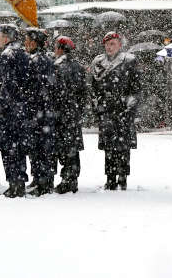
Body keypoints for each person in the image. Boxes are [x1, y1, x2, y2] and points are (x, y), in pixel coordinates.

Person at [90, 31, 141, 190]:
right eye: (107, 44)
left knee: (123, 146)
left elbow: (136, 87)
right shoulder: (98, 62)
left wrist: (130, 105)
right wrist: (96, 104)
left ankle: (123, 176)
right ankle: (110, 177)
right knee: (108, 146)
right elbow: (92, 87)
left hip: (123, 109)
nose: (109, 47)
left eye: (112, 44)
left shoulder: (129, 60)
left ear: (120, 45)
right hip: (106, 108)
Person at [0, 24, 31, 197]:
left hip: (9, 110)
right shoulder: (23, 53)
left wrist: (1, 103)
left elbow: (4, 83)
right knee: (18, 148)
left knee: (8, 148)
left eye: (0, 36)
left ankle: (14, 183)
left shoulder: (7, 55)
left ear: (6, 37)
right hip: (21, 109)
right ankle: (19, 182)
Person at [22, 27, 57, 197]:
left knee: (41, 148)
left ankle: (44, 182)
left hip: (40, 111)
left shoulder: (39, 60)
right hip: (39, 110)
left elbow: (40, 87)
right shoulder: (38, 58)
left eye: (27, 41)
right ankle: (38, 178)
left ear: (35, 42)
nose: (25, 44)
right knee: (36, 147)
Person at [53, 36, 87, 195]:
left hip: (61, 114)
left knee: (64, 148)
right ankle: (71, 178)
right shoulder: (78, 67)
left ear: (60, 48)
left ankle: (67, 180)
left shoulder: (57, 66)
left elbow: (54, 92)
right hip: (72, 114)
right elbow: (83, 93)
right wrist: (77, 110)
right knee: (72, 149)